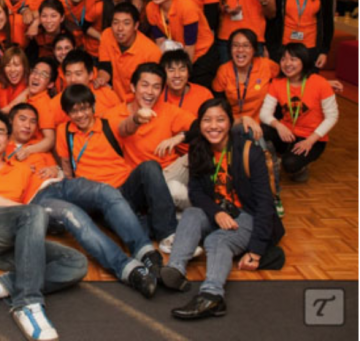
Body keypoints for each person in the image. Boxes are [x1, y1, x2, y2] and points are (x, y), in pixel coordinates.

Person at [0, 110, 88, 341]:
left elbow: (46, 191)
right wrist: (28, 214)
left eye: (0, 133)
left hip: (12, 239)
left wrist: (55, 169)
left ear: (8, 139)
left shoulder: (22, 169)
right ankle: (27, 303)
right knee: (32, 213)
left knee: (76, 262)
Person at [164, 99, 285, 320]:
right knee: (191, 213)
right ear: (199, 124)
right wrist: (216, 212)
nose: (214, 126)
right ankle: (176, 268)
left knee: (216, 241)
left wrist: (256, 251)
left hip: (248, 216)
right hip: (221, 212)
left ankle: (212, 296)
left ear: (230, 122)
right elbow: (197, 191)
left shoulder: (250, 152)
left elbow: (265, 204)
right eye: (207, 120)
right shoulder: (199, 148)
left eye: (220, 120)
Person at [37, 85, 162, 297]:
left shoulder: (107, 123)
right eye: (75, 111)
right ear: (68, 114)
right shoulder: (64, 131)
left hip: (118, 189)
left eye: (85, 108)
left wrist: (137, 119)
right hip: (85, 191)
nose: (80, 115)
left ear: (93, 107)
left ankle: (145, 255)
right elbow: (67, 167)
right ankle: (135, 262)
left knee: (130, 209)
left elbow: (126, 127)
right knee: (103, 201)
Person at [104, 63, 195, 211]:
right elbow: (124, 129)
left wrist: (180, 137)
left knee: (204, 146)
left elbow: (201, 125)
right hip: (143, 179)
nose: (150, 92)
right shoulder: (113, 115)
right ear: (133, 87)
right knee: (174, 190)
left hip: (173, 169)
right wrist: (136, 119)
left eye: (156, 87)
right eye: (145, 85)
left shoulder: (168, 110)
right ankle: (195, 210)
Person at [259, 44, 339, 182]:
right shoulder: (277, 83)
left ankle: (299, 165)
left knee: (290, 165)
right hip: (287, 133)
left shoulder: (320, 84)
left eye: (293, 59)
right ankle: (274, 159)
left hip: (312, 138)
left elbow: (332, 116)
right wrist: (278, 125)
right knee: (261, 131)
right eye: (284, 59)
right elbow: (264, 113)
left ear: (304, 61)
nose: (287, 63)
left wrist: (310, 140)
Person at [146, 0, 218, 87]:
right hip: (178, 54)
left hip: (201, 54)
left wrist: (184, 75)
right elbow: (160, 41)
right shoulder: (150, 8)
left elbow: (190, 46)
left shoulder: (186, 7)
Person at [95, 3, 162, 103]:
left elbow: (152, 88)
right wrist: (101, 78)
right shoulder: (106, 35)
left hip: (139, 101)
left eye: (126, 23)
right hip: (113, 97)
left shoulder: (152, 52)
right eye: (115, 22)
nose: (120, 28)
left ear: (136, 25)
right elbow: (105, 67)